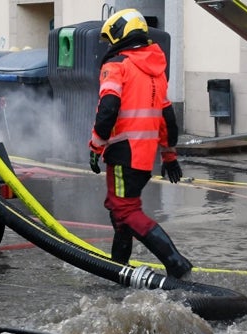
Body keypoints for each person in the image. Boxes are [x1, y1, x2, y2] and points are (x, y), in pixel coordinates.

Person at [88, 8, 193, 279]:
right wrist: (169, 156)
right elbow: (167, 118)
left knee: (125, 210)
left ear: (120, 35)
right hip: (144, 159)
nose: (110, 45)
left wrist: (95, 146)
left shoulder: (117, 65)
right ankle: (118, 268)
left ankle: (176, 262)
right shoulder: (155, 70)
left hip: (123, 153)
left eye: (111, 39)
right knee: (120, 212)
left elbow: (108, 108)